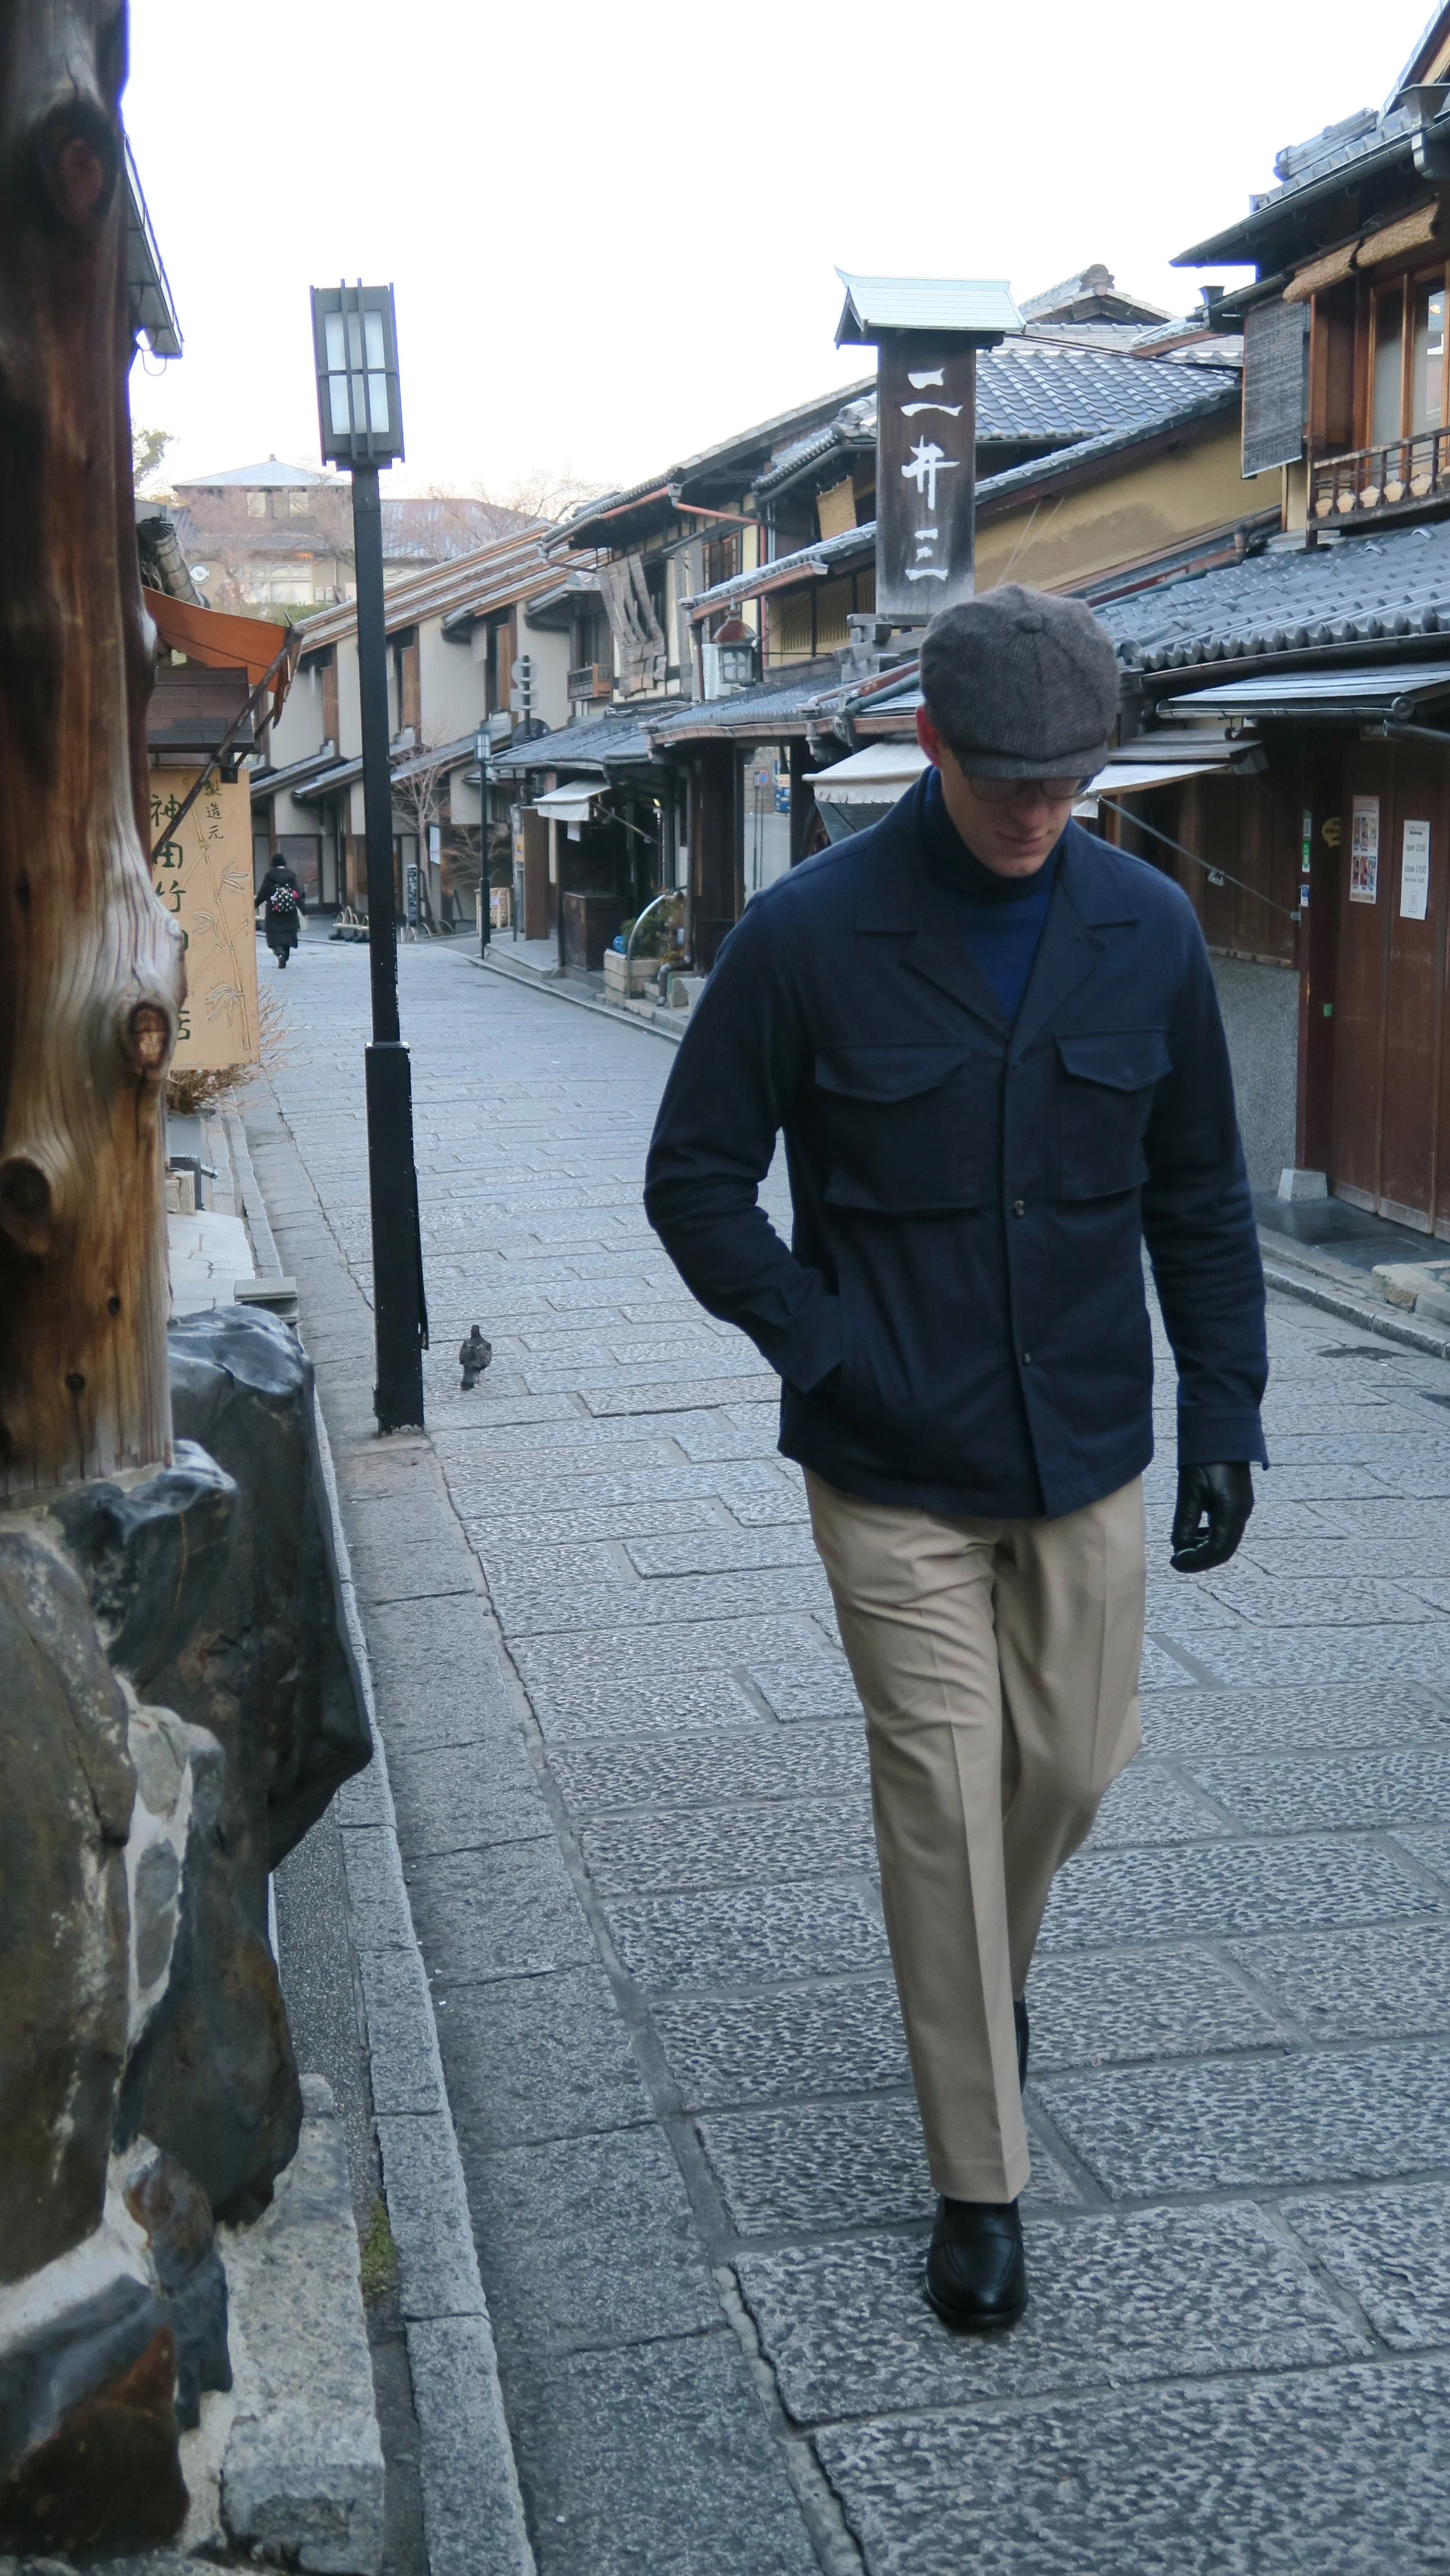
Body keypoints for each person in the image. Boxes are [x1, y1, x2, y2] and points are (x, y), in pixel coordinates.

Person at [643, 585, 1266, 2332]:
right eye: (1005, 779)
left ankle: (975, 1968)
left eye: (1064, 783)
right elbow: (692, 1177)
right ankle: (976, 2176)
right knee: (937, 1785)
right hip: (885, 1460)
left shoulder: (1141, 929)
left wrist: (1224, 1401)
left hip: (1082, 1438)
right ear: (925, 744)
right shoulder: (807, 935)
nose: (1032, 812)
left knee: (1064, 1763)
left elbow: (1199, 1192)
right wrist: (816, 1336)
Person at [255, 854, 304, 968]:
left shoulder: (270, 876)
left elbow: (263, 894)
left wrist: (253, 906)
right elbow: (297, 895)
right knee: (287, 935)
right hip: (290, 912)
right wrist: (304, 911)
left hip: (274, 911)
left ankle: (279, 953)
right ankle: (286, 955)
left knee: (274, 936)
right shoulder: (291, 876)